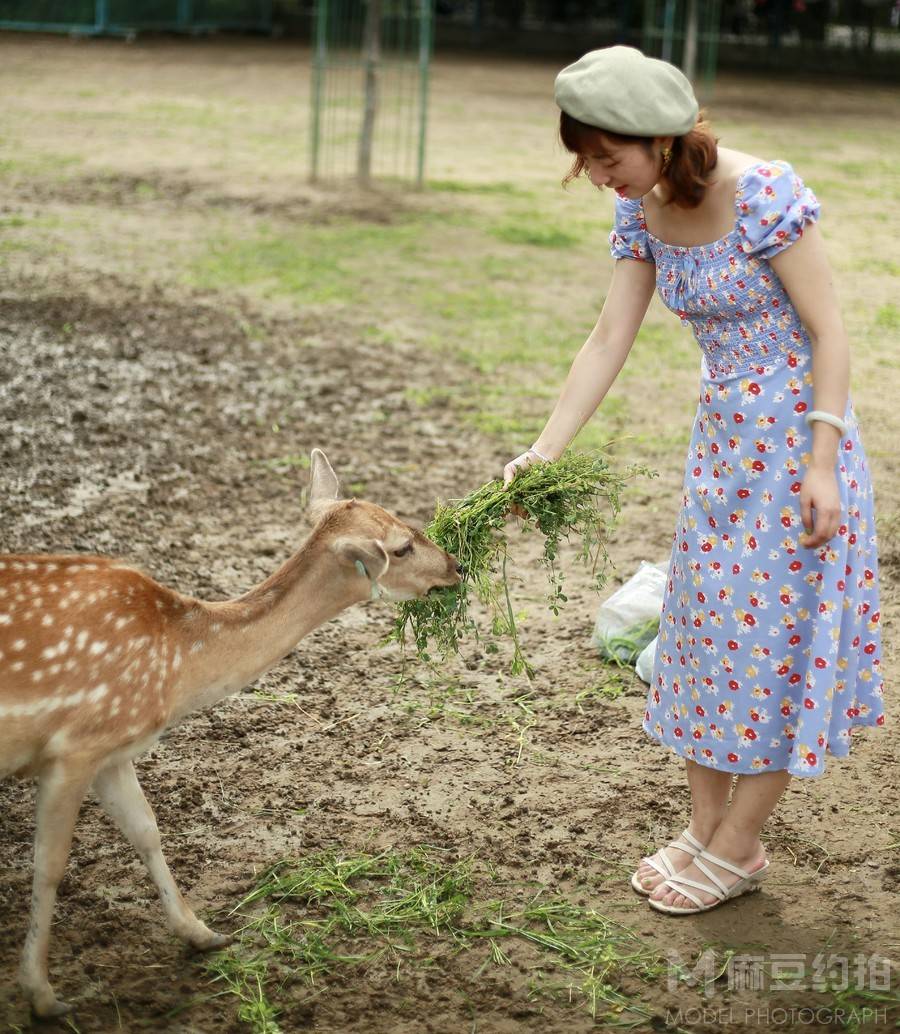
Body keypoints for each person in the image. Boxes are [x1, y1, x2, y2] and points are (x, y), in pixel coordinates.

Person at [503, 46, 884, 915]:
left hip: (798, 453)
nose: (596, 175)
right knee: (710, 637)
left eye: (606, 156)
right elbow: (609, 338)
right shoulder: (642, 212)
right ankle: (705, 830)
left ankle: (738, 842)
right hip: (721, 455)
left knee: (779, 647)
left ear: (661, 140)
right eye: (585, 159)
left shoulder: (764, 195)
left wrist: (822, 463)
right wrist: (543, 452)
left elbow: (831, 332)